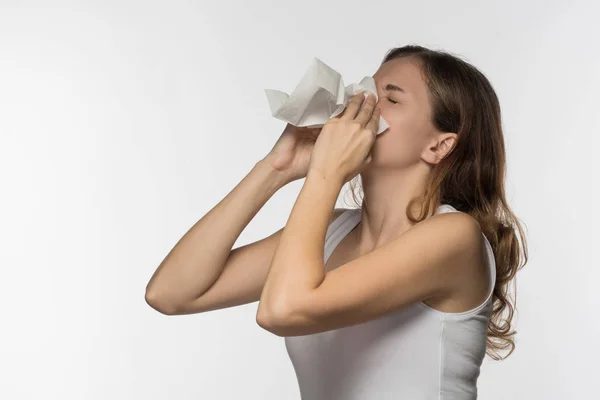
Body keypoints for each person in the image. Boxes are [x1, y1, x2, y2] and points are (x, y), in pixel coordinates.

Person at [145, 44, 528, 399]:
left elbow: (281, 310)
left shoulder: (454, 237)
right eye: (365, 93)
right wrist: (276, 168)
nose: (361, 108)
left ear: (439, 145)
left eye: (391, 99)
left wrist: (326, 173)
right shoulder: (331, 232)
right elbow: (172, 292)